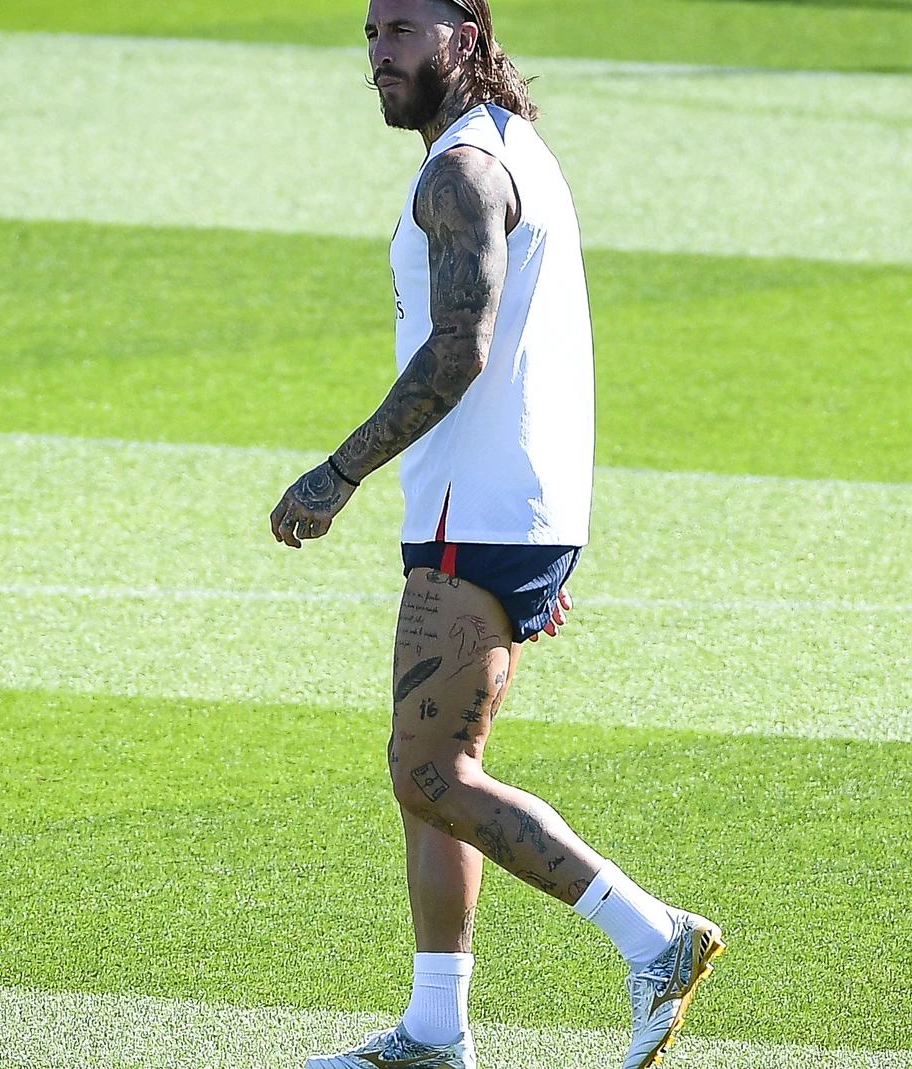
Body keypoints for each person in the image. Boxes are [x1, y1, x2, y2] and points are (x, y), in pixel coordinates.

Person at [270, 2, 724, 1066]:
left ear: (466, 35)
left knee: (432, 774)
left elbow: (463, 348)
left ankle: (655, 936)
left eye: (403, 30)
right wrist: (549, 534)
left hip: (474, 511)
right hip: (504, 510)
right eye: (370, 30)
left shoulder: (461, 174)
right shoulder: (516, 154)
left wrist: (335, 473)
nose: (378, 51)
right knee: (427, 770)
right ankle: (436, 1028)